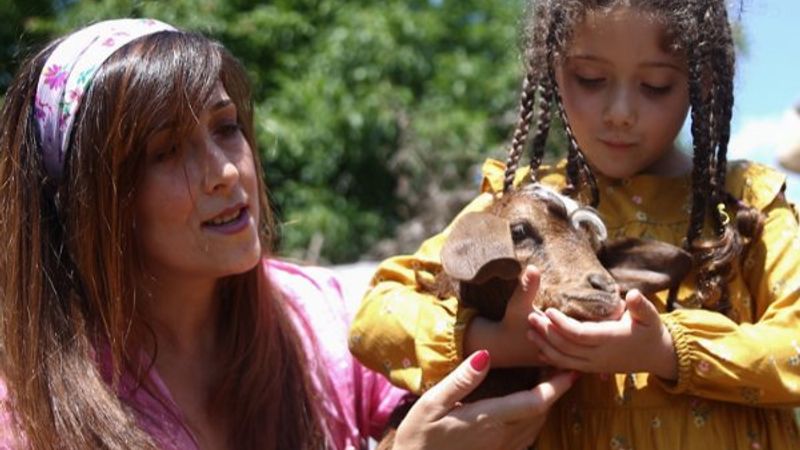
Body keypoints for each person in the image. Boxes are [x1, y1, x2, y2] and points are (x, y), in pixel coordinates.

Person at [0, 18, 575, 450]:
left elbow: (423, 395)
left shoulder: (315, 313)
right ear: (91, 200)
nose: (226, 172)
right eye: (167, 151)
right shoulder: (28, 415)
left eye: (226, 127)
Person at [349, 0, 800, 448]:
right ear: (554, 69)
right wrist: (491, 341)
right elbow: (375, 318)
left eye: (656, 85)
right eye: (590, 78)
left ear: (703, 82)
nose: (620, 111)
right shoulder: (524, 204)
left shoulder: (746, 206)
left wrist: (667, 350)